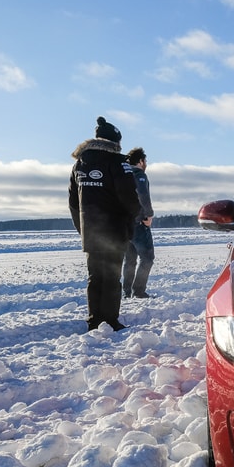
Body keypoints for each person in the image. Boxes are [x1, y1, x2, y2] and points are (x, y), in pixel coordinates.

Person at [69, 116, 141, 331]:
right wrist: (133, 219)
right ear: (115, 142)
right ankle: (109, 321)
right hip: (114, 230)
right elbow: (129, 197)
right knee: (111, 277)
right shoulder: (118, 163)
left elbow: (73, 202)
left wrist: (82, 229)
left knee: (95, 277)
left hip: (90, 231)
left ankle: (94, 319)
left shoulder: (78, 164)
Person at [122, 146, 155, 298]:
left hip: (125, 224)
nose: (146, 163)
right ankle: (139, 291)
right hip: (138, 223)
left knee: (130, 260)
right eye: (145, 160)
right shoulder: (139, 174)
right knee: (147, 258)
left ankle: (127, 291)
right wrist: (148, 215)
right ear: (141, 161)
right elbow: (142, 194)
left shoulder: (123, 174)